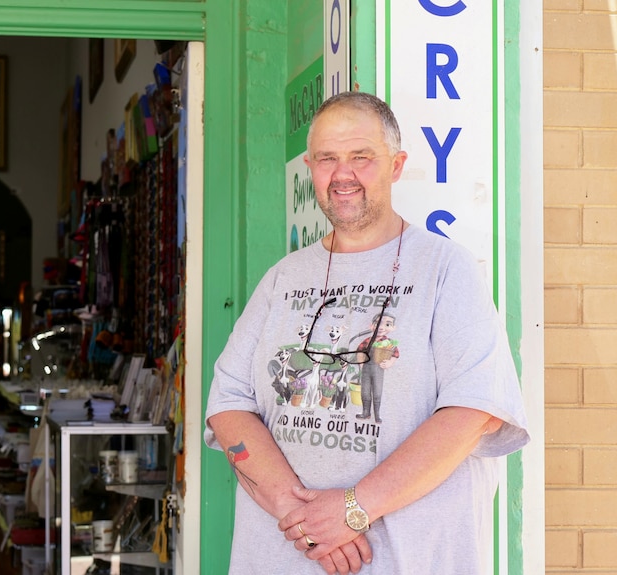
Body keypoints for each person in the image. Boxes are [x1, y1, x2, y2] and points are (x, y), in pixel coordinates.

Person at [203, 91, 529, 574]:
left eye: (362, 157)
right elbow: (228, 403)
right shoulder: (283, 278)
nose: (343, 175)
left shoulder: (446, 270)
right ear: (310, 167)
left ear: (396, 165)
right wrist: (302, 516)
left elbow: (474, 411)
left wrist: (353, 509)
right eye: (327, 159)